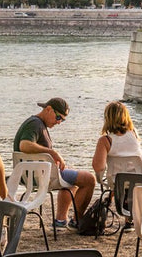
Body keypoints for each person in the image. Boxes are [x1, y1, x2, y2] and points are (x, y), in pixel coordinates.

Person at [14, 97, 92, 226]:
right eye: (58, 117)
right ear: (48, 109)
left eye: (62, 120)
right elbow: (24, 145)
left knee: (72, 180)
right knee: (89, 180)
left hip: (32, 174)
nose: (59, 122)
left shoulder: (38, 124)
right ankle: (77, 221)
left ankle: (60, 221)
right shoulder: (35, 123)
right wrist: (52, 152)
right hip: (39, 176)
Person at [91, 101, 142, 181]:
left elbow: (99, 168)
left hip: (119, 181)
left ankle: (115, 192)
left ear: (107, 118)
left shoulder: (105, 141)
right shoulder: (134, 133)